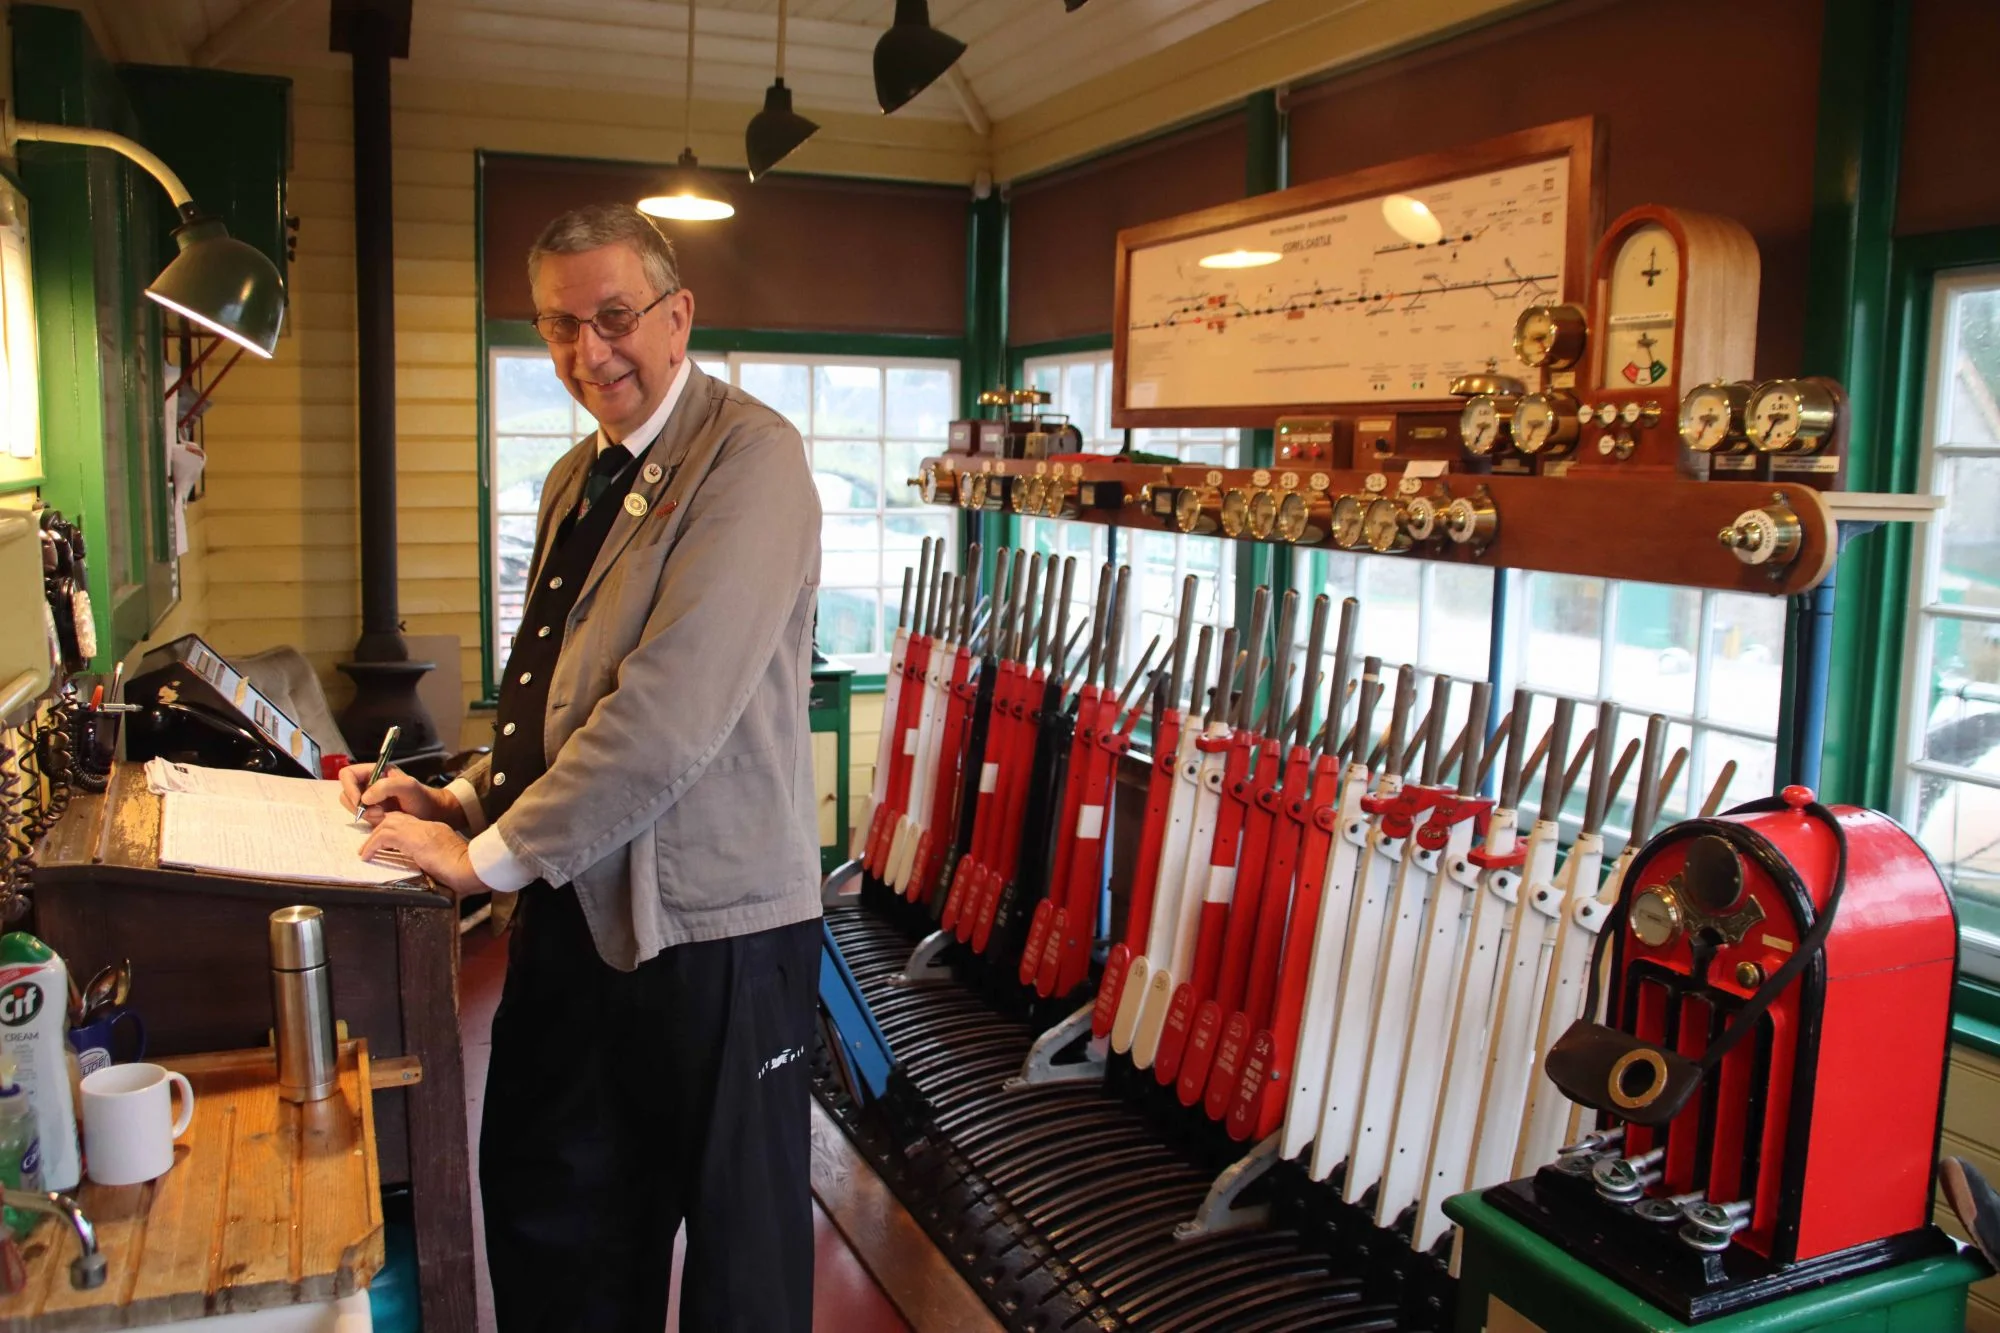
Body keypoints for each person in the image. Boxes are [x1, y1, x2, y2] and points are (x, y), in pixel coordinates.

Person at [341, 202, 824, 1331]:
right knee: (550, 1216)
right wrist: (459, 795)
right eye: (559, 326)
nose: (588, 351)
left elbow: (663, 714)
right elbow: (554, 688)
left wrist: (482, 861)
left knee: (738, 1272)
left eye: (614, 317)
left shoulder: (751, 461)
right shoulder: (580, 476)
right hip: (572, 911)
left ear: (677, 314)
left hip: (715, 935)